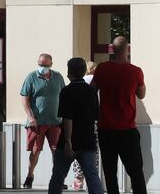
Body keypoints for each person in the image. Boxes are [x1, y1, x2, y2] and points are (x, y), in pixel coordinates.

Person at [92, 36, 147, 194]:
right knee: (136, 172)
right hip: (127, 129)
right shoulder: (135, 71)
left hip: (106, 129)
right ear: (127, 50)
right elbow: (141, 95)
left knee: (110, 173)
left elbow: (91, 91)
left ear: (112, 50)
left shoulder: (102, 69)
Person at [48, 57, 103, 194]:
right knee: (92, 177)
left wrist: (67, 141)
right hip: (87, 140)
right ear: (84, 71)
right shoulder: (91, 91)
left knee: (58, 177)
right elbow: (96, 115)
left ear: (69, 73)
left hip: (68, 141)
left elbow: (67, 118)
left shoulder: (66, 91)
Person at [20, 53, 65, 189]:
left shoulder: (57, 77)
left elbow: (63, 95)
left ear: (51, 65)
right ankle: (30, 175)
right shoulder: (31, 77)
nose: (42, 67)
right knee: (35, 151)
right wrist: (30, 116)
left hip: (55, 121)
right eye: (40, 65)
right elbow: (24, 97)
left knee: (56, 151)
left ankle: (58, 179)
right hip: (37, 122)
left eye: (45, 65)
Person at [71, 60, 98, 190]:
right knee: (93, 151)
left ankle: (78, 180)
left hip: (77, 122)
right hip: (92, 121)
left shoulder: (75, 83)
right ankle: (90, 181)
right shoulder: (93, 80)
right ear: (92, 69)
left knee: (77, 151)